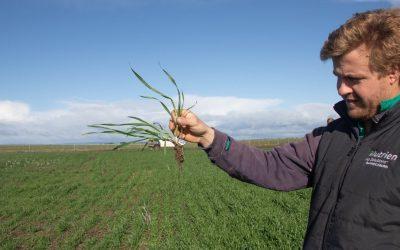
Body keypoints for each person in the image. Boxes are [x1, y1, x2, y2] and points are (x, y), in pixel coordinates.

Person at [169, 8, 400, 249]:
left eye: (353, 78)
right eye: (338, 76)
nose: (341, 89)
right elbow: (272, 166)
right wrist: (208, 136)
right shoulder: (332, 136)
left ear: (391, 73)